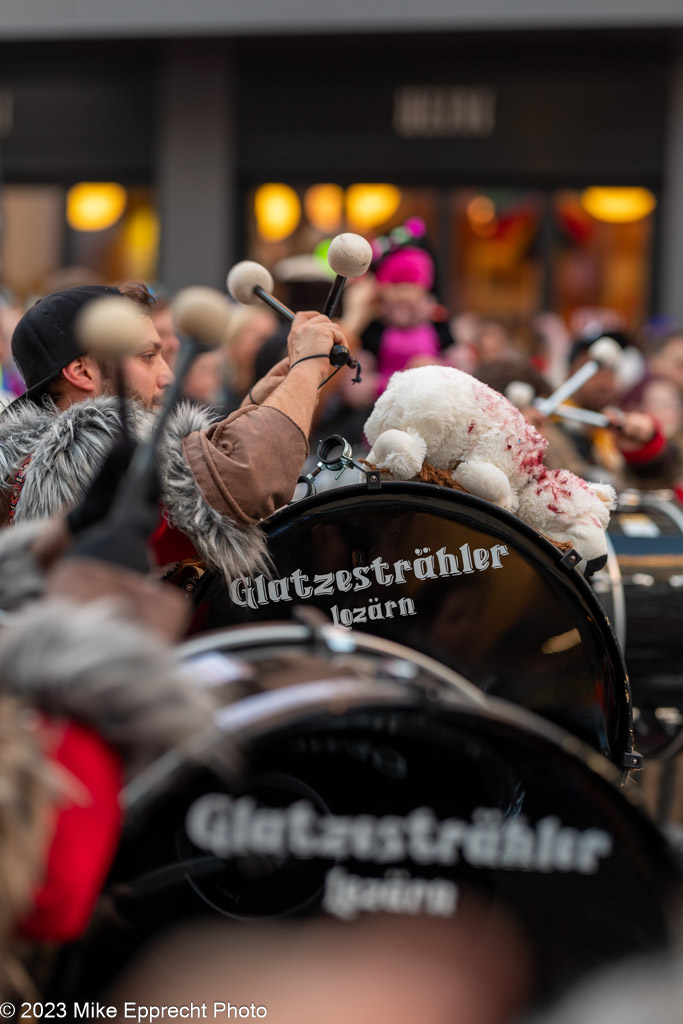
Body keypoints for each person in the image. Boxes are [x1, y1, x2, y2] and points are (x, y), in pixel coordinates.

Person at [0, 282, 347, 583]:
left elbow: (202, 474)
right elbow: (242, 479)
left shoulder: (36, 462)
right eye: (147, 356)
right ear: (82, 372)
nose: (166, 375)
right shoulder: (91, 450)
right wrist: (307, 368)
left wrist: (266, 398)